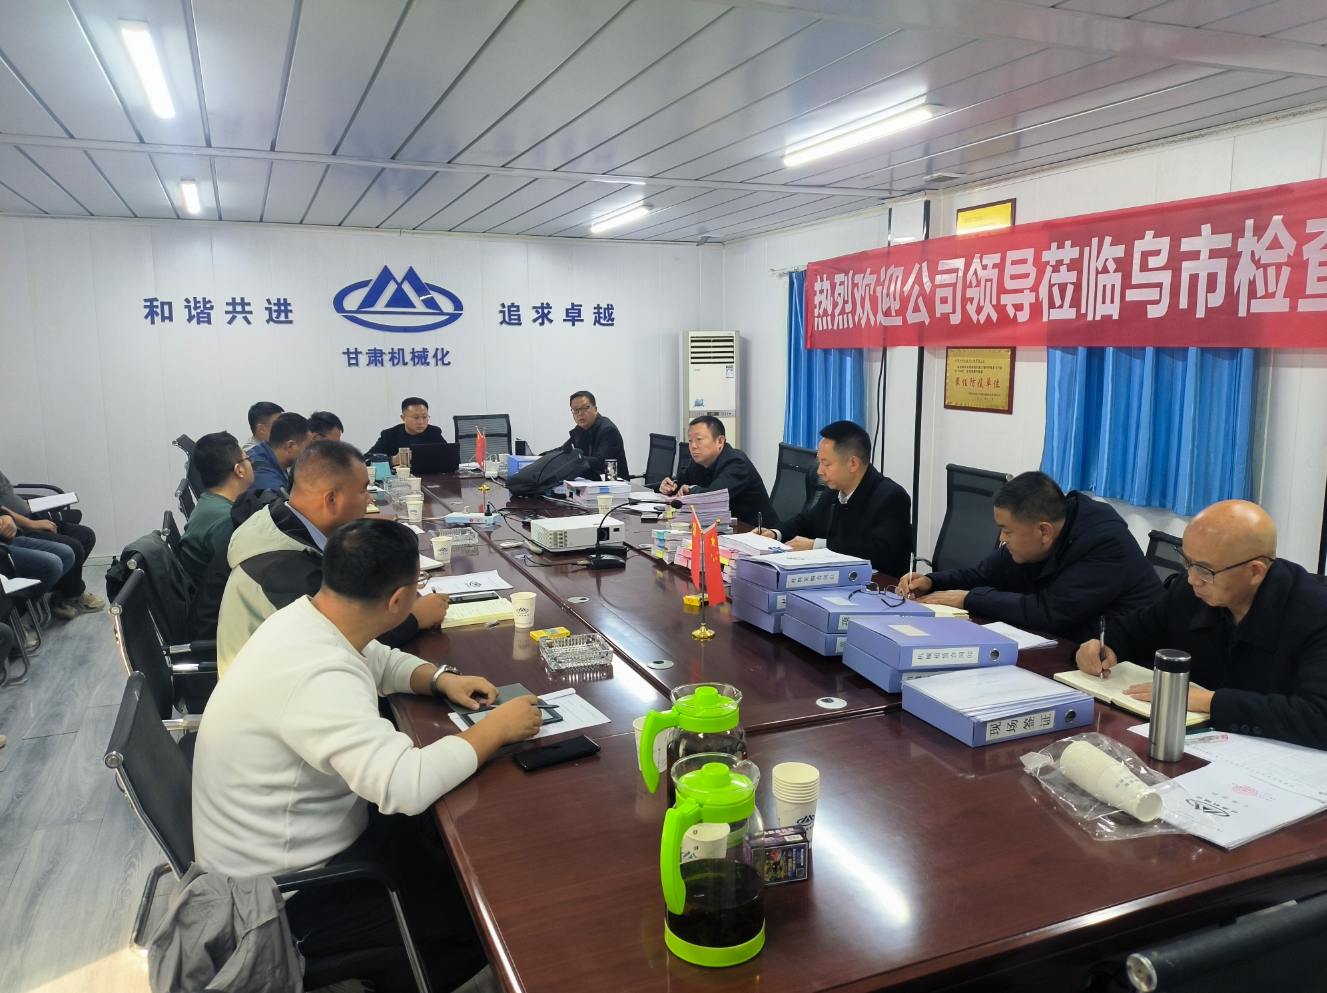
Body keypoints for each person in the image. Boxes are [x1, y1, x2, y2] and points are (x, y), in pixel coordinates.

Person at [193, 517, 542, 992]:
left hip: (285, 846)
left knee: (458, 847)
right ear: (398, 601)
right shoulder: (317, 674)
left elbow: (376, 658)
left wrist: (440, 679)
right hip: (287, 895)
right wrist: (497, 728)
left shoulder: (306, 618)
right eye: (417, 588)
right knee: (491, 913)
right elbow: (405, 785)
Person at [1075, 501, 1327, 750]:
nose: (1192, 579)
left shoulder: (1315, 615)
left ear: (1255, 572)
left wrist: (1210, 702)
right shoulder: (1189, 594)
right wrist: (1103, 646)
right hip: (1199, 745)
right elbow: (1134, 630)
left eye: (1205, 570)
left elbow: (1319, 716)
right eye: (1187, 562)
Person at [216, 441, 448, 675]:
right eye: (362, 491)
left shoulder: (278, 520)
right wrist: (413, 618)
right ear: (331, 500)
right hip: (276, 687)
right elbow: (349, 638)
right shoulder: (285, 569)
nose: (369, 500)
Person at [899, 471, 1162, 642]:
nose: (1002, 539)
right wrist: (932, 581)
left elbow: (1048, 612)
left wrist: (969, 598)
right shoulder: (1039, 537)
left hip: (1126, 666)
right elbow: (980, 574)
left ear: (1044, 531)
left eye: (1007, 530)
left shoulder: (1106, 545)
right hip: (1067, 649)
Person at [755, 421, 910, 575]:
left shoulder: (891, 497)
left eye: (826, 464)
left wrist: (817, 546)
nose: (819, 471)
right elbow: (806, 522)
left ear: (853, 464)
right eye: (819, 462)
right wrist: (775, 534)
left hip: (876, 585)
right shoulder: (832, 492)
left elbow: (880, 552)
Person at [0, 471, 104, 618]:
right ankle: (25, 612)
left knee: (85, 535)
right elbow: (3, 510)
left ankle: (63, 593)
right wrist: (31, 523)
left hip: (29, 516)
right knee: (72, 547)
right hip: (18, 527)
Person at [659, 416, 775, 528]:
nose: (693, 446)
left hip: (755, 531)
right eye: (690, 440)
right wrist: (670, 486)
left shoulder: (737, 463)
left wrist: (691, 489)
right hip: (723, 527)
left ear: (720, 441)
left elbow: (712, 497)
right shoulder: (700, 462)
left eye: (699, 439)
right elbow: (681, 480)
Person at [179, 432, 254, 585]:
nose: (251, 464)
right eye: (249, 459)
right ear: (239, 470)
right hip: (217, 596)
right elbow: (245, 577)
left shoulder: (209, 501)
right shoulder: (225, 520)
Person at [557, 391, 628, 480]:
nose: (580, 413)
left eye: (584, 408)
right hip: (589, 482)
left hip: (612, 483)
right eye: (575, 410)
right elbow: (565, 449)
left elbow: (600, 462)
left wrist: (571, 459)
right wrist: (545, 457)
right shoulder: (580, 429)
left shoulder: (608, 430)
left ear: (595, 409)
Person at [367, 397, 446, 465]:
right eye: (416, 417)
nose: (421, 422)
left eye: (424, 417)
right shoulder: (389, 435)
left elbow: (449, 456)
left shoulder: (434, 432)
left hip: (429, 476)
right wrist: (393, 460)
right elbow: (366, 459)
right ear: (403, 418)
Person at [247, 412, 310, 494]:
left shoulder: (261, 451)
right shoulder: (268, 483)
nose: (311, 453)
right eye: (308, 447)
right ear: (290, 446)